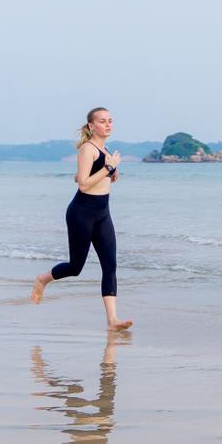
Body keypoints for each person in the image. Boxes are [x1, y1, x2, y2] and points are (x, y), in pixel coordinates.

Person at [30, 107, 133, 331]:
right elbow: (83, 185)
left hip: (103, 213)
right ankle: (42, 279)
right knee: (76, 267)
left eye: (110, 121)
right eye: (103, 121)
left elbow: (80, 175)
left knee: (110, 265)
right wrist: (108, 168)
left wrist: (110, 175)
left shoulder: (104, 150)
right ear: (91, 126)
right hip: (81, 213)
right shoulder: (88, 149)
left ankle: (112, 321)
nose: (108, 125)